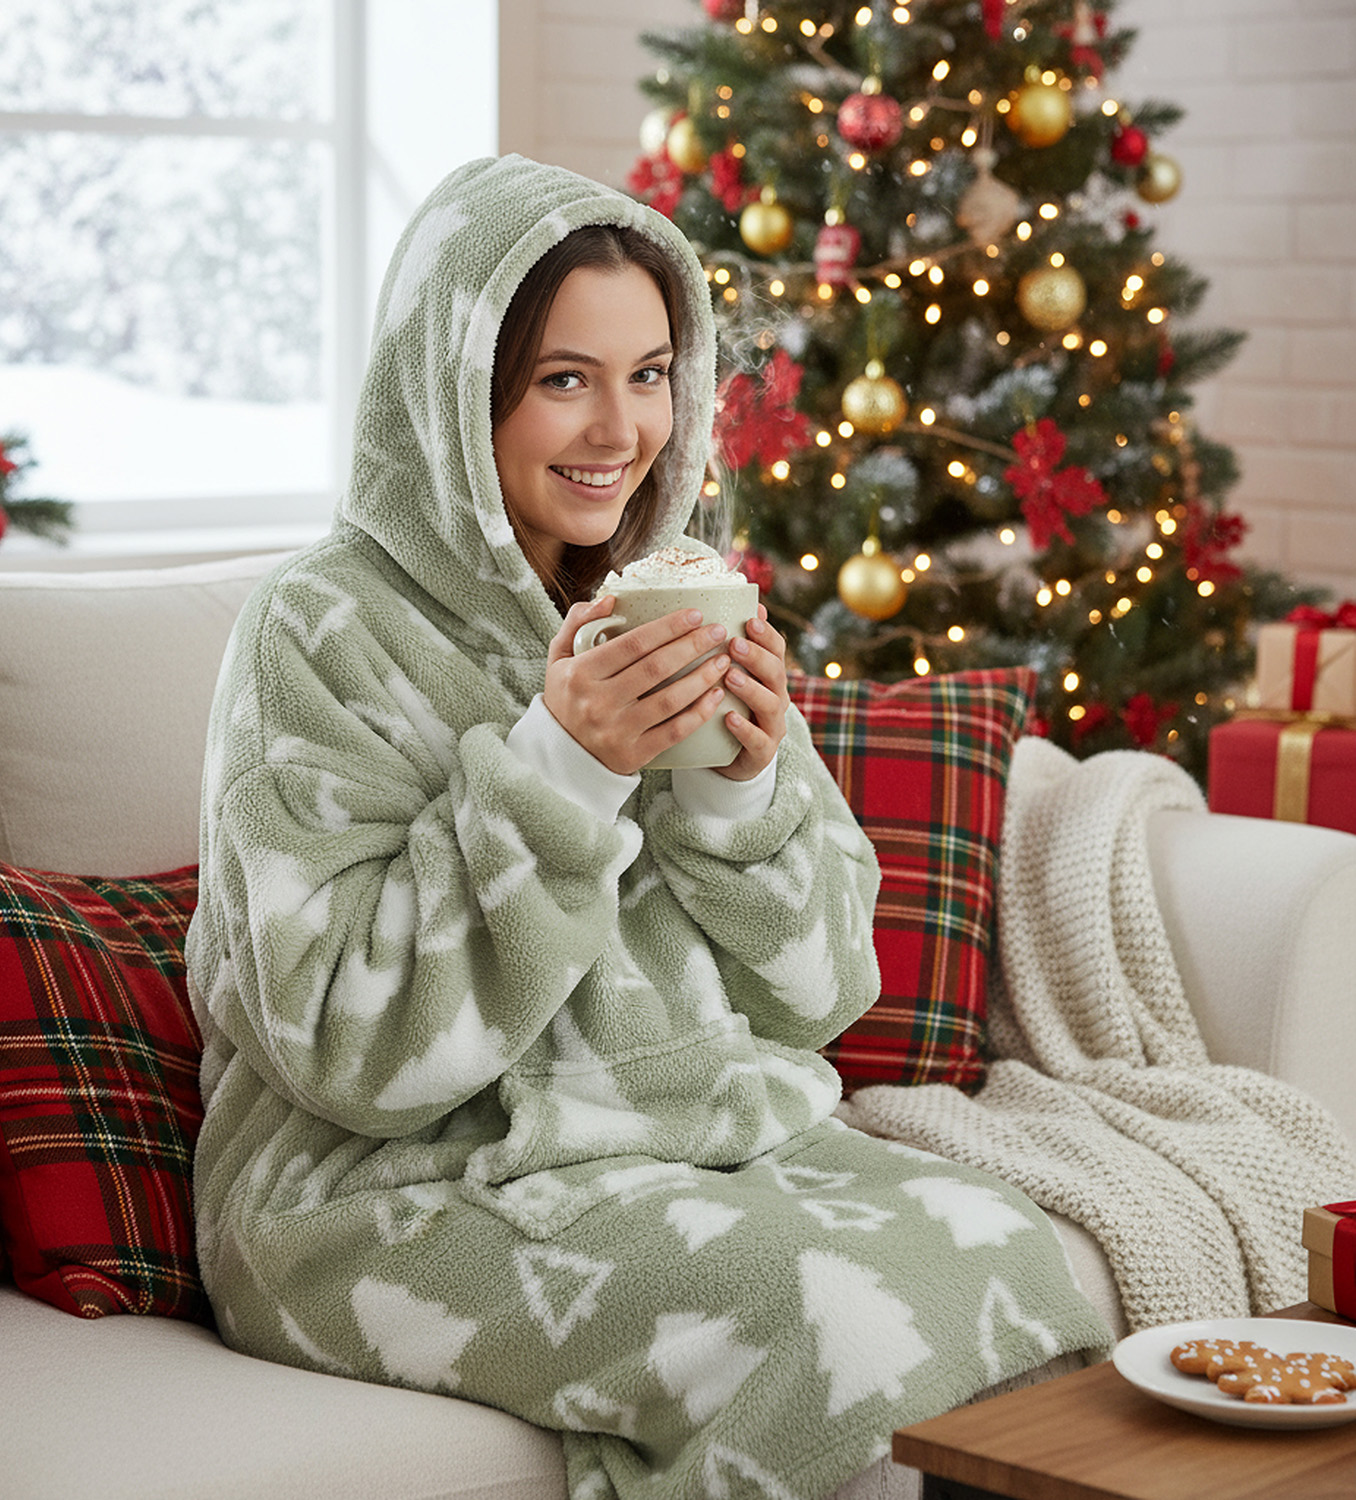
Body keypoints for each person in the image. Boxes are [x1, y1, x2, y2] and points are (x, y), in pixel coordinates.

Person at [187, 155, 1107, 1500]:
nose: (622, 427)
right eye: (565, 377)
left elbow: (822, 998)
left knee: (1019, 1263)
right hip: (371, 1192)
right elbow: (345, 1045)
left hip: (674, 1134)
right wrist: (560, 770)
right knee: (828, 1327)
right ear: (458, 393)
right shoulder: (316, 633)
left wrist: (738, 790)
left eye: (652, 371)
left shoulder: (668, 601)